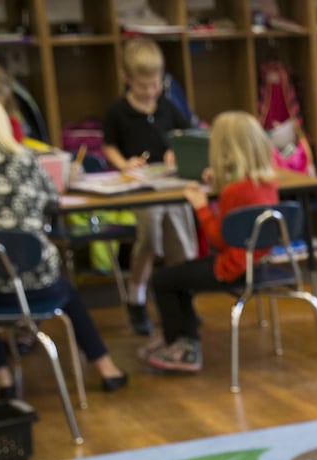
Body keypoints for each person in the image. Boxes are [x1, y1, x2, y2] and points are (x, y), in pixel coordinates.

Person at [0, 96, 127, 397]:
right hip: (36, 280)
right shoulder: (25, 157)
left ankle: (3, 381)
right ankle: (106, 367)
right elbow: (51, 201)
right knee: (68, 292)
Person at [142, 111, 279, 374]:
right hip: (257, 262)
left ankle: (182, 346)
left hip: (230, 268)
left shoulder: (233, 191)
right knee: (180, 276)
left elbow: (219, 239)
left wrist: (202, 207)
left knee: (164, 280)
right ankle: (182, 337)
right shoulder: (266, 183)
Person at [104, 37, 198, 338]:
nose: (149, 91)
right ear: (126, 79)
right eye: (143, 85)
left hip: (171, 185)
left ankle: (181, 302)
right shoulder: (118, 112)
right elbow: (109, 147)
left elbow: (185, 135)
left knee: (180, 245)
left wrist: (176, 152)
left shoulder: (168, 106)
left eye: (155, 84)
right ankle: (137, 299)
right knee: (149, 240)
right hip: (141, 189)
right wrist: (124, 164)